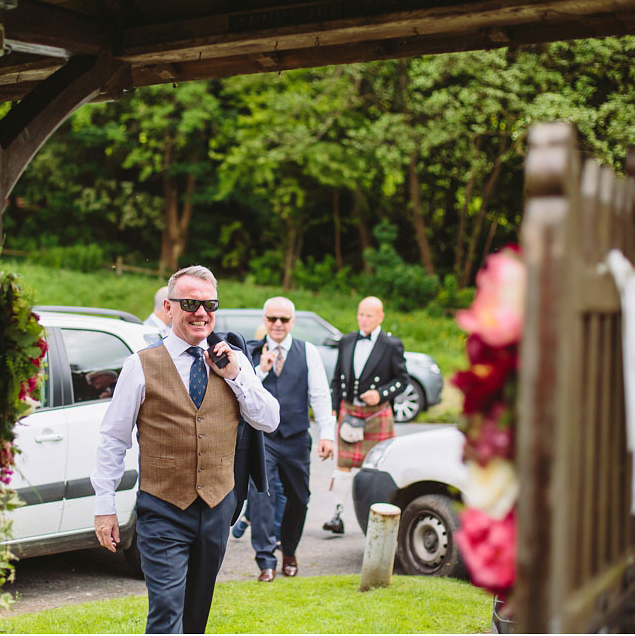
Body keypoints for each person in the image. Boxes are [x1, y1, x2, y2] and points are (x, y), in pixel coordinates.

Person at [93, 266, 279, 634]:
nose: (201, 312)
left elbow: (269, 419)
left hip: (216, 507)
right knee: (165, 612)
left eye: (210, 304)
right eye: (191, 302)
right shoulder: (140, 365)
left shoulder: (232, 361)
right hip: (162, 509)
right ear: (169, 306)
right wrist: (104, 507)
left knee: (196, 617)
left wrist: (237, 376)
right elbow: (113, 438)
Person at [245, 296, 335, 580]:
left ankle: (290, 551)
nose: (278, 324)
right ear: (265, 320)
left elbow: (320, 395)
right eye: (272, 319)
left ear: (292, 321)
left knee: (299, 497)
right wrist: (262, 369)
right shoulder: (253, 352)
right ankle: (265, 561)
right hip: (263, 438)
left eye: (284, 319)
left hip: (296, 436)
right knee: (261, 496)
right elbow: (242, 392)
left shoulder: (307, 351)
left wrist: (327, 435)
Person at [323, 295, 410, 534]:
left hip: (376, 414)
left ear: (380, 316)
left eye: (369, 315)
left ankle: (377, 517)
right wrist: (334, 406)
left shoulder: (391, 345)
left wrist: (381, 394)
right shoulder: (347, 340)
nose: (363, 319)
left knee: (375, 469)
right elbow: (337, 377)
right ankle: (336, 515)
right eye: (361, 314)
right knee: (342, 465)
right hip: (349, 411)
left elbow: (403, 380)